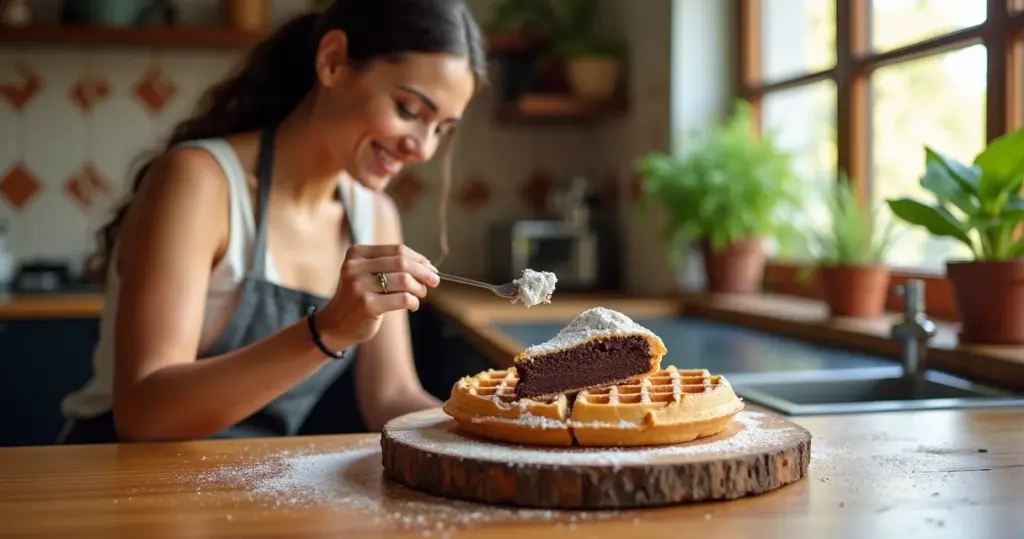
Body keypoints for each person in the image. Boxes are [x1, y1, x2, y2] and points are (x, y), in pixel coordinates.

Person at [56, 0, 487, 444]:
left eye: (441, 129)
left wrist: (490, 425)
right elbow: (144, 415)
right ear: (333, 62)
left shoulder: (374, 215)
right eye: (409, 110)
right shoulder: (201, 182)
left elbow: (390, 395)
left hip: (242, 478)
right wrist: (325, 332)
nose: (423, 149)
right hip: (111, 469)